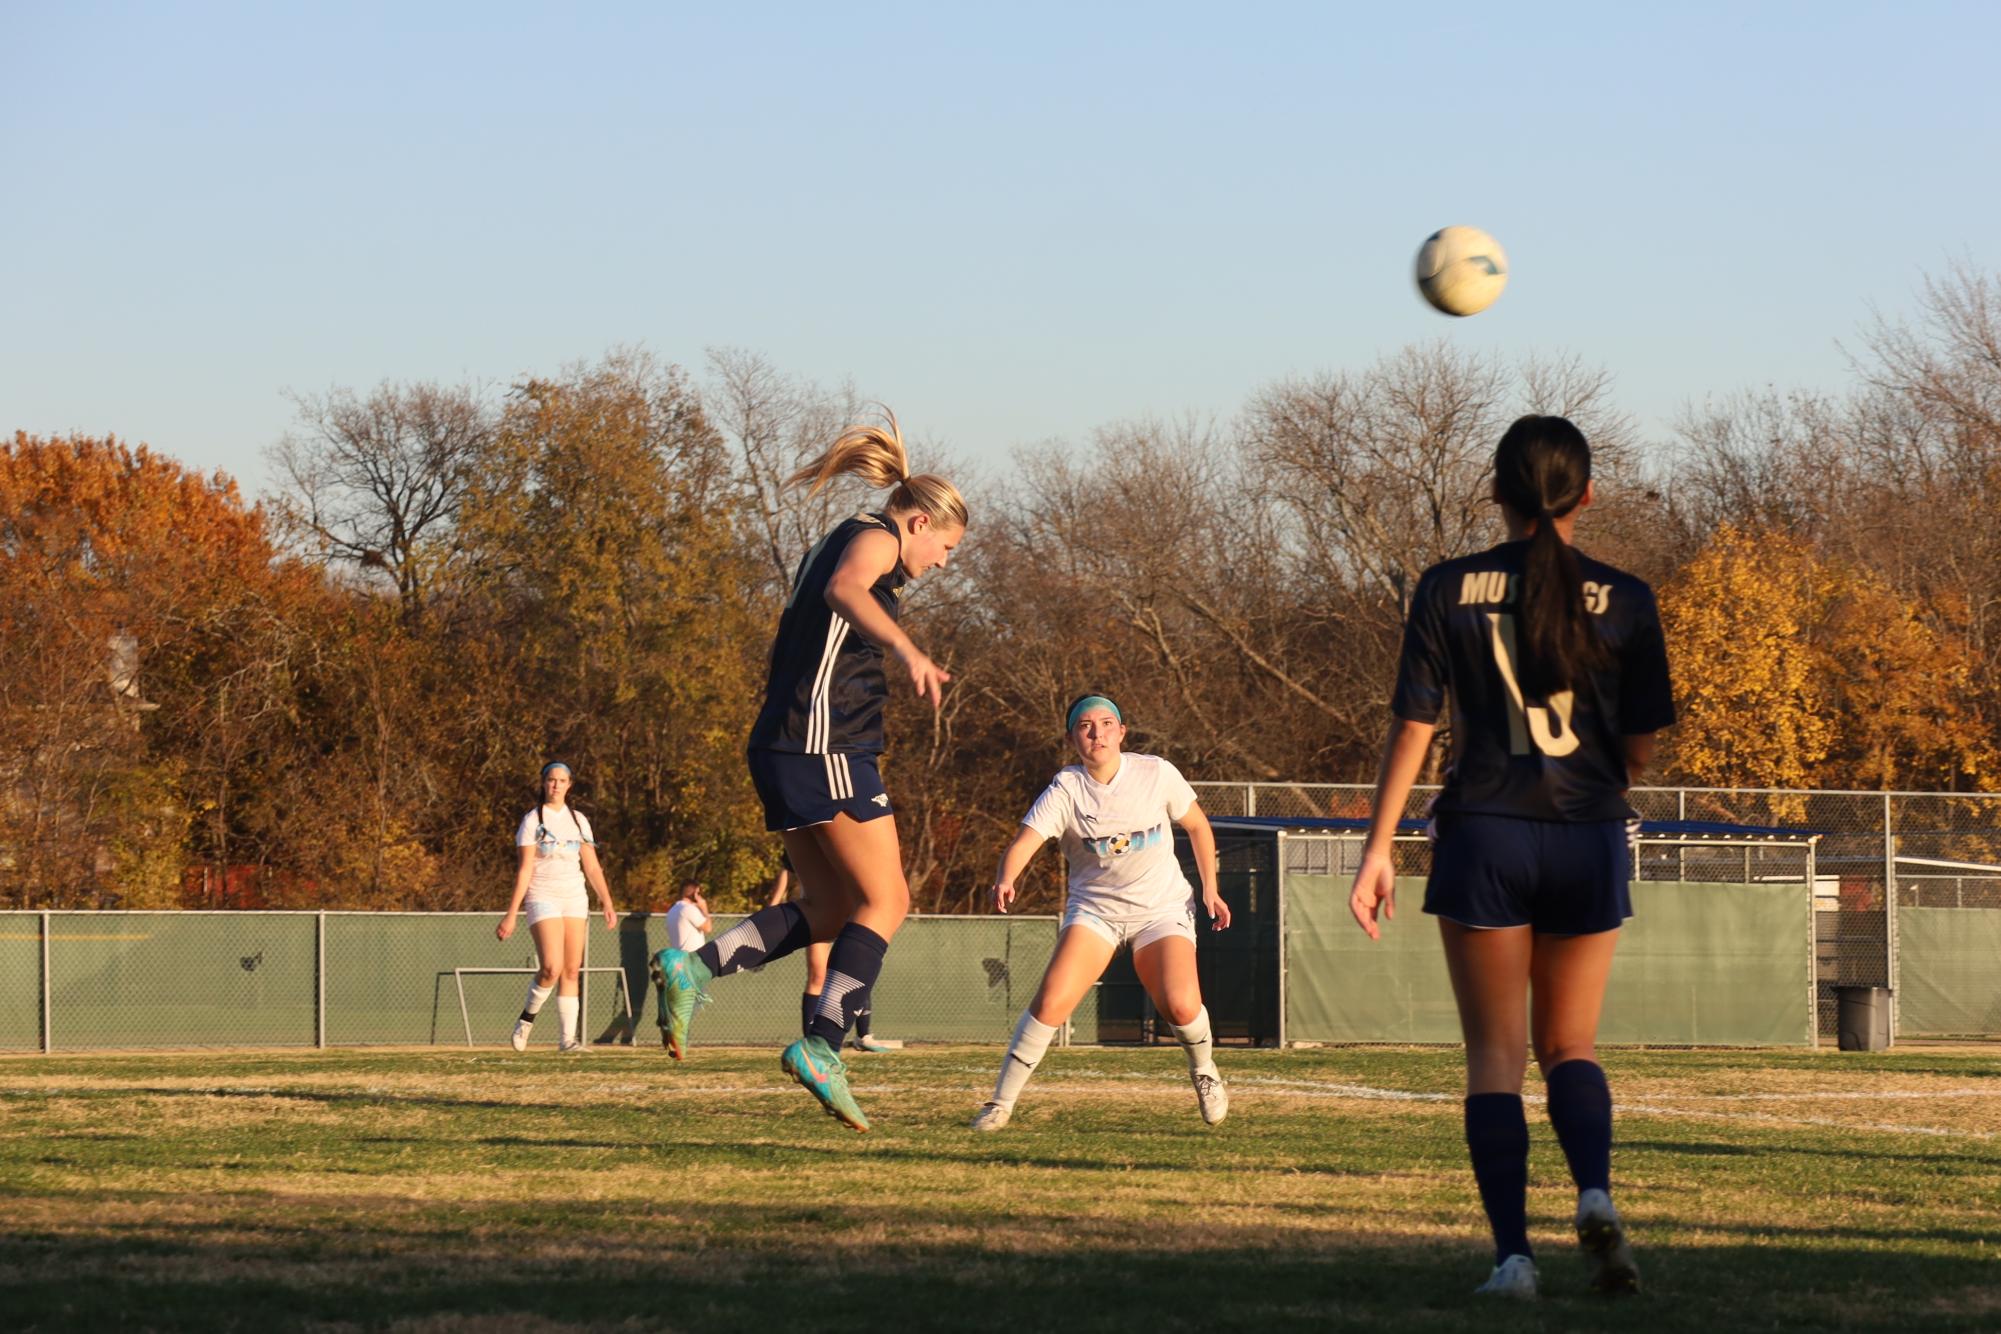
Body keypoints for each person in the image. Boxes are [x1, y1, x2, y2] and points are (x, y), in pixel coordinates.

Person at [1346, 416, 1674, 1300]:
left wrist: (1377, 848)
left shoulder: (1446, 588)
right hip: (1588, 835)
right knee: (1570, 1042)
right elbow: (1639, 747)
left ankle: (1513, 1261)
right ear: (1587, 494)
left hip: (1485, 830)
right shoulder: (1629, 598)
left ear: (1495, 490)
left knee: (1495, 1055)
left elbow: (1414, 724)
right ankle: (1595, 1192)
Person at [650, 410, 963, 1131]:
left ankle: (692, 968)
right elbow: (845, 592)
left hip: (781, 744)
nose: (943, 562)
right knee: (887, 902)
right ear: (917, 523)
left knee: (826, 907)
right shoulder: (876, 539)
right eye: (945, 546)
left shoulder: (846, 532)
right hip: (823, 746)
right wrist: (909, 652)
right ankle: (822, 1047)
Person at [972, 693, 1231, 1131]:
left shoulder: (1156, 772)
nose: (1097, 733)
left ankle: (1204, 1070)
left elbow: (1198, 826)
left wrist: (1211, 889)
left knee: (1181, 1005)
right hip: (1096, 912)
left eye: (1106, 723)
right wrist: (1006, 877)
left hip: (1161, 909)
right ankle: (1000, 1103)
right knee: (1052, 1002)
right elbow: (1024, 842)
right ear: (1073, 737)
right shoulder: (1066, 788)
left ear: (1122, 732)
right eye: (1085, 726)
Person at [498, 761, 619, 1053]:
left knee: (571, 969)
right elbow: (525, 869)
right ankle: (526, 1020)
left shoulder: (578, 820)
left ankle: (567, 1041)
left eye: (562, 780)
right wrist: (512, 914)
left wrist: (607, 901)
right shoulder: (532, 820)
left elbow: (591, 865)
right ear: (543, 783)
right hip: (543, 895)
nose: (556, 785)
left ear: (569, 785)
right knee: (551, 967)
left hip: (574, 897)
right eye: (551, 780)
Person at [767, 850, 896, 1053]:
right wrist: (772, 906)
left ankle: (863, 1035)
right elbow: (787, 867)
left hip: (852, 908)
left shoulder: (846, 831)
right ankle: (812, 1042)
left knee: (857, 968)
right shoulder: (809, 830)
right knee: (817, 975)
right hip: (820, 910)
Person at [665, 880, 712, 953]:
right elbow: (708, 928)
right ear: (695, 894)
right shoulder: (688, 909)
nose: (700, 896)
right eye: (698, 893)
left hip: (679, 957)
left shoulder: (672, 910)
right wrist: (704, 909)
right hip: (691, 958)